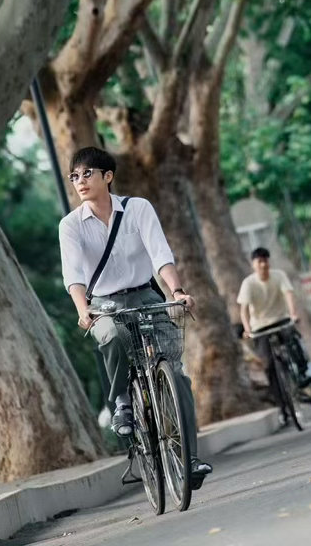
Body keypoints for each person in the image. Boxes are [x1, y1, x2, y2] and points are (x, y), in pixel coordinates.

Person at [58, 146, 212, 489]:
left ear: (107, 176)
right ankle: (122, 403)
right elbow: (74, 276)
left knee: (174, 372)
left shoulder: (138, 209)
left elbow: (160, 254)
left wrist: (176, 292)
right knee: (112, 335)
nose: (80, 181)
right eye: (74, 176)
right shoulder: (70, 226)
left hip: (145, 293)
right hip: (103, 303)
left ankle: (190, 458)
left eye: (87, 174)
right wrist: (84, 310)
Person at [237, 247, 311, 419]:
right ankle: (283, 409)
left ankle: (302, 373)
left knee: (294, 340)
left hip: (281, 319)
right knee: (269, 366)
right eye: (259, 261)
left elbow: (289, 295)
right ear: (253, 264)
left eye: (265, 260)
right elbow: (243, 308)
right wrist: (247, 328)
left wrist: (293, 313)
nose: (263, 264)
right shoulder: (248, 283)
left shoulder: (279, 275)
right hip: (259, 327)